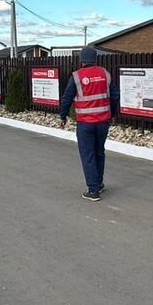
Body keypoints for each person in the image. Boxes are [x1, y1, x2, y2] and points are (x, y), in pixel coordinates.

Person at [59, 46, 120, 201]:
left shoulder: (76, 76)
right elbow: (115, 96)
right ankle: (98, 183)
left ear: (82, 60)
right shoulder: (105, 74)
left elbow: (67, 97)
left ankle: (93, 190)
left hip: (85, 124)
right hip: (103, 122)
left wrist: (63, 116)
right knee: (99, 152)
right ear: (95, 59)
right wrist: (113, 114)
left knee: (88, 155)